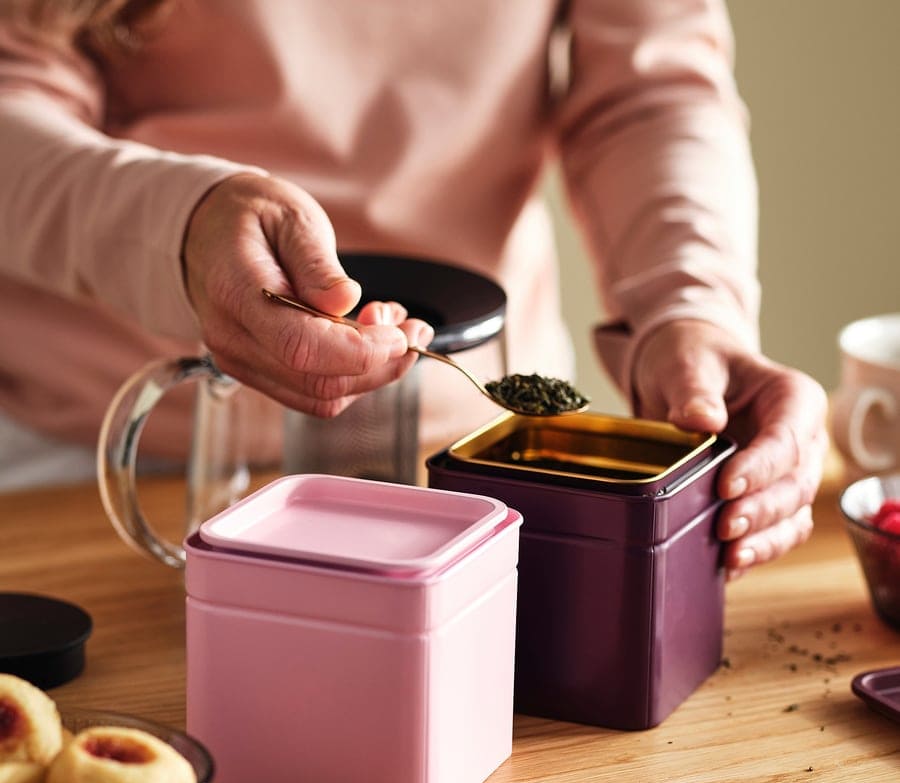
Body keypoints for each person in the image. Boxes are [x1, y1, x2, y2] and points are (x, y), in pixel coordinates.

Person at [0, 0, 828, 579]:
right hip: (97, 453)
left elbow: (649, 91)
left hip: (475, 458)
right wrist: (180, 228)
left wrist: (691, 303)